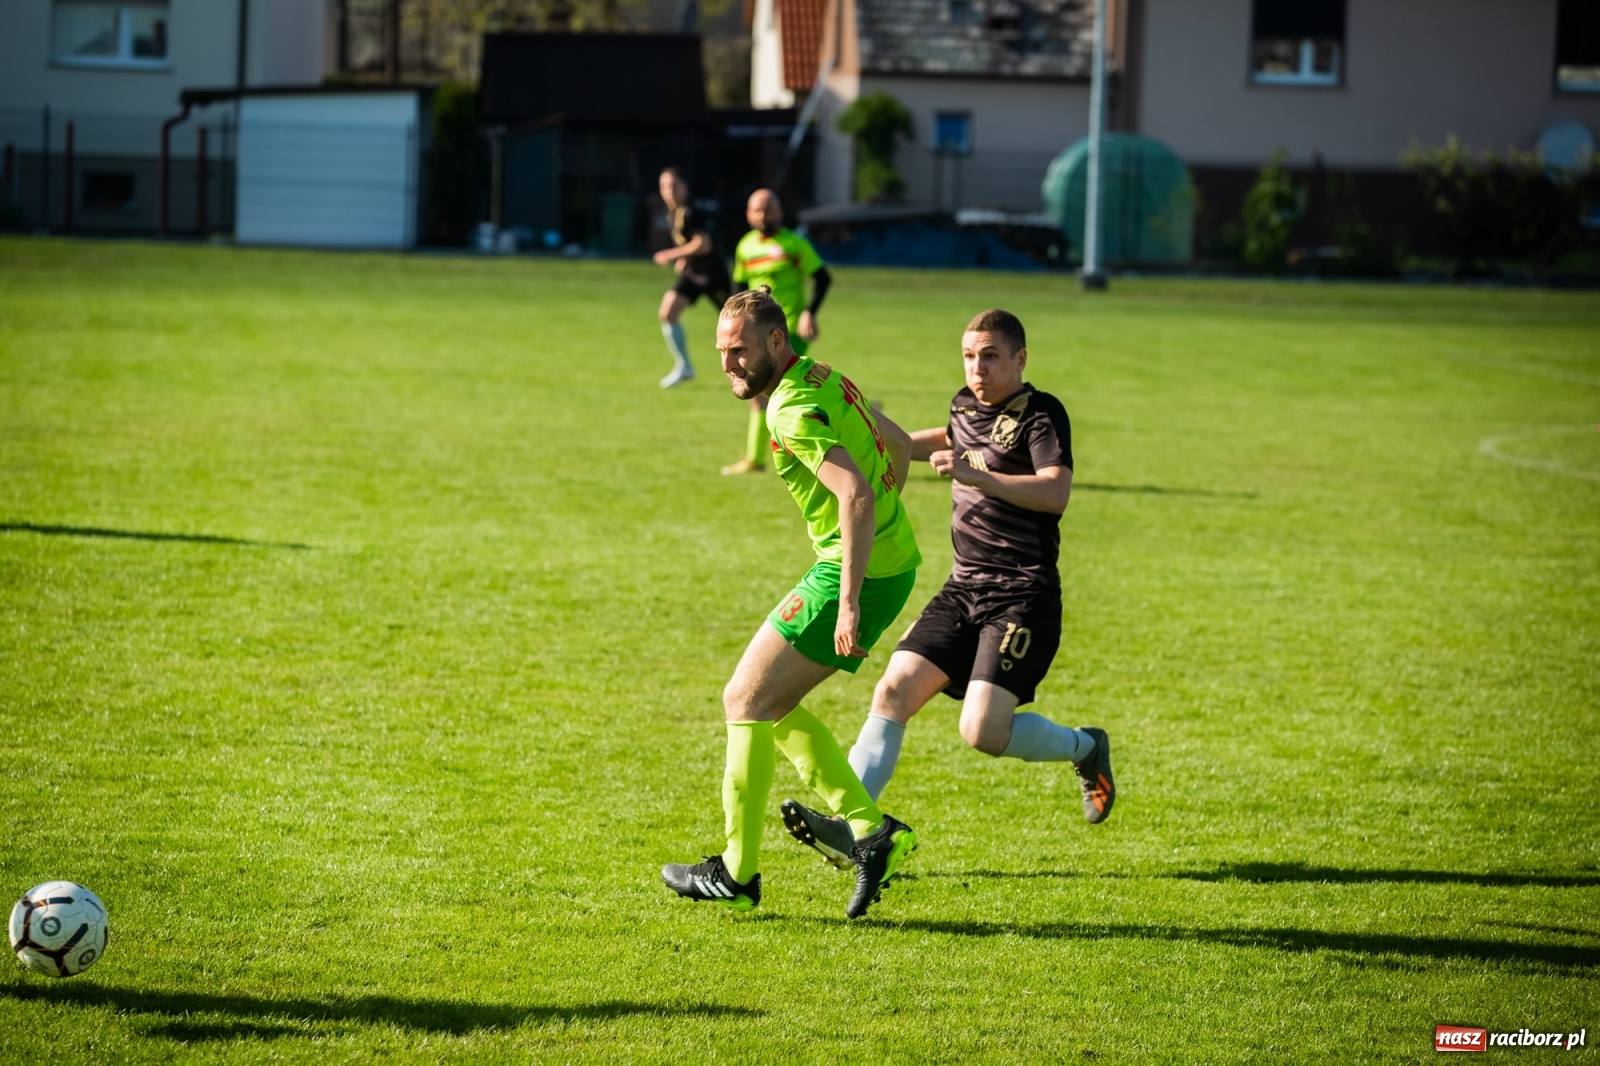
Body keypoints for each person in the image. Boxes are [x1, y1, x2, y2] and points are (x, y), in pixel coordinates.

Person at [781, 309, 1116, 870]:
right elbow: (939, 440)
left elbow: (1055, 493)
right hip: (962, 588)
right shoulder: (963, 404)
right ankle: (854, 828)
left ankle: (1086, 748)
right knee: (893, 690)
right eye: (968, 355)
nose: (977, 367)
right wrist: (869, 436)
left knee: (982, 731)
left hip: (1022, 593)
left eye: (989, 356)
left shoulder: (1041, 415)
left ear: (1019, 359)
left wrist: (978, 476)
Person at [661, 287, 921, 918]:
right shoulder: (825, 376)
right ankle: (870, 832)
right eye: (722, 352)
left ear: (777, 342)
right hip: (893, 563)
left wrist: (851, 599)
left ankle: (737, 872)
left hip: (852, 575)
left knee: (744, 698)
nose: (728, 365)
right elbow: (901, 447)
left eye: (740, 352)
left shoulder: (788, 408)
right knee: (770, 703)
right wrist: (885, 522)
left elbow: (855, 494)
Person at [720, 189, 832, 475]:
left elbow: (822, 277)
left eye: (768, 209)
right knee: (770, 391)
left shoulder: (794, 244)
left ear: (780, 212)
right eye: (757, 210)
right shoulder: (745, 246)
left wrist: (810, 312)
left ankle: (764, 457)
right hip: (753, 334)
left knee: (781, 390)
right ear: (748, 214)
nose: (763, 215)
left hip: (787, 330)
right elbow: (737, 289)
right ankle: (762, 456)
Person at [653, 167, 731, 389]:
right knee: (668, 312)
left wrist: (672, 254)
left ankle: (758, 368)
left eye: (673, 185)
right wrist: (685, 259)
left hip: (713, 275)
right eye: (663, 186)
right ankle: (684, 366)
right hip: (694, 273)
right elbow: (691, 246)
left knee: (737, 324)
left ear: (684, 187)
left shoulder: (690, 211)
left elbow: (703, 244)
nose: (668, 191)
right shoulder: (673, 213)